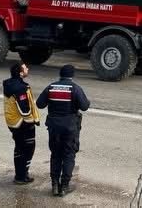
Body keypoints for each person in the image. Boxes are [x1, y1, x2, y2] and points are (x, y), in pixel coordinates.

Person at [36, 64, 90, 197]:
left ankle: (54, 185)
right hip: (70, 128)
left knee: (55, 154)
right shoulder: (75, 88)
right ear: (72, 75)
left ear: (60, 75)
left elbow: (39, 104)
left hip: (54, 127)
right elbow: (84, 106)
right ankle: (64, 186)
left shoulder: (51, 87)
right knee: (68, 155)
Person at [4, 62, 40, 185]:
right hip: (23, 123)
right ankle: (22, 175)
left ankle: (19, 174)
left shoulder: (9, 84)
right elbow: (25, 110)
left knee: (19, 148)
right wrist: (32, 120)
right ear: (20, 73)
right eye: (25, 68)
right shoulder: (20, 88)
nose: (27, 69)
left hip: (13, 123)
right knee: (28, 148)